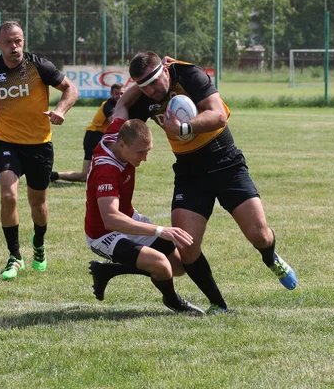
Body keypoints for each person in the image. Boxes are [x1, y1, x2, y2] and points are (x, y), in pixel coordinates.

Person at [113, 52, 298, 314]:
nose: (151, 91)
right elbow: (120, 116)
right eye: (143, 86)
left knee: (259, 234)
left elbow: (219, 115)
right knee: (186, 247)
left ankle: (271, 258)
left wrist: (183, 128)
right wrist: (125, 102)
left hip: (226, 162)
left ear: (165, 70)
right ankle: (218, 305)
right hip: (190, 173)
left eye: (154, 82)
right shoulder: (144, 95)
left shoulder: (189, 75)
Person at [0, 21, 78, 278]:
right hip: (7, 142)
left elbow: (71, 89)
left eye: (18, 41)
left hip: (39, 145)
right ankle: (15, 257)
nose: (14, 47)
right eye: (8, 42)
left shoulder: (39, 66)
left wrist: (60, 110)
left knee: (38, 204)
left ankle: (38, 244)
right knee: (8, 195)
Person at [85, 119, 203, 314]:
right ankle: (174, 302)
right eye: (141, 152)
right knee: (161, 265)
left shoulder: (119, 131)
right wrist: (159, 230)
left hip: (129, 219)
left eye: (147, 151)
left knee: (178, 267)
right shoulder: (107, 170)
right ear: (122, 145)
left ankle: (108, 270)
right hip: (104, 234)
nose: (145, 158)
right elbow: (111, 219)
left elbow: (123, 105)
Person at [51, 83, 125, 183]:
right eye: (117, 93)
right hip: (94, 137)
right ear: (111, 93)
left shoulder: (119, 105)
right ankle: (52, 175)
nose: (119, 96)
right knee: (85, 175)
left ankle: (53, 175)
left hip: (100, 137)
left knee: (88, 175)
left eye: (122, 93)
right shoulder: (109, 104)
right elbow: (114, 121)